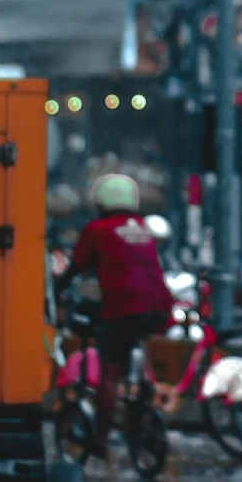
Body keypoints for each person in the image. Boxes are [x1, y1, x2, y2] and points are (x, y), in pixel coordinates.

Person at [70, 174, 173, 446]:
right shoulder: (141, 227)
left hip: (124, 308)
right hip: (160, 307)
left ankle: (100, 437)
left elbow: (75, 267)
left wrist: (54, 290)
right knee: (133, 347)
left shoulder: (97, 229)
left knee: (109, 375)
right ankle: (140, 403)